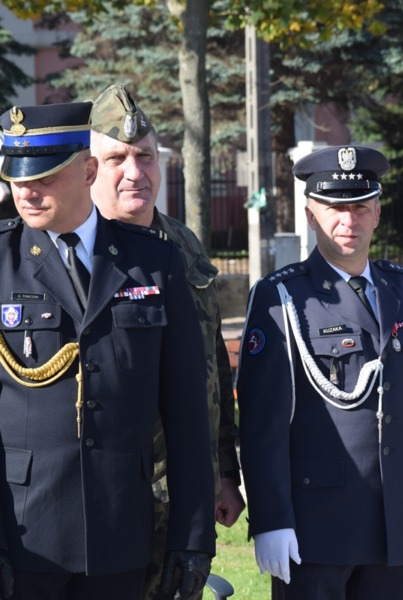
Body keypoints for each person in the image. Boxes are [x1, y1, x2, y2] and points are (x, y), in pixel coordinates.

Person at [0, 101, 216, 600]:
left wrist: (192, 537)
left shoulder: (154, 262)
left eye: (44, 177)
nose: (26, 191)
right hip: (23, 535)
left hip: (120, 532)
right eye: (17, 177)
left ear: (87, 171)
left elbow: (187, 413)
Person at [236, 145, 403, 600]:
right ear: (310, 215)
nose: (348, 221)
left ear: (377, 212)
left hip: (394, 526)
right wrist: (271, 519)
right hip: (316, 529)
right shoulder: (282, 297)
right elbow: (263, 425)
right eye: (334, 209)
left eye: (360, 208)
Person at [88, 85, 245, 598]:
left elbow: (212, 363)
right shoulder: (80, 254)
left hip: (187, 494)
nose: (135, 172)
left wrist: (224, 471)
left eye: (146, 157)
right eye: (117, 159)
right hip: (117, 499)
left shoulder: (183, 244)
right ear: (88, 169)